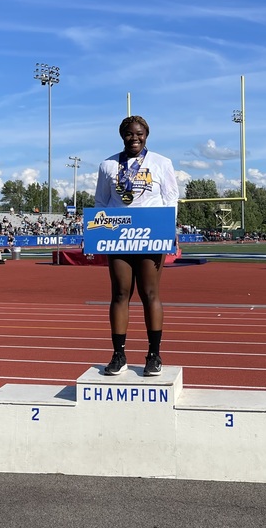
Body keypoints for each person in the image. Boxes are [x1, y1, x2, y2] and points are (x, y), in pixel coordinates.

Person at [94, 115, 178, 377]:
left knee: (149, 293)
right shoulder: (108, 165)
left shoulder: (162, 163)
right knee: (120, 293)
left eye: (139, 134)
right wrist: (101, 232)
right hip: (119, 235)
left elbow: (171, 199)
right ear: (122, 135)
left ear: (147, 135)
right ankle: (118, 354)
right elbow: (100, 202)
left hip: (151, 234)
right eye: (130, 134)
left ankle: (154, 354)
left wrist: (168, 230)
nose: (135, 138)